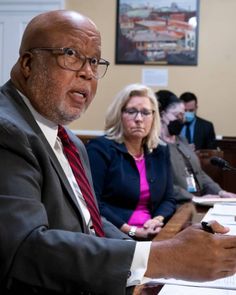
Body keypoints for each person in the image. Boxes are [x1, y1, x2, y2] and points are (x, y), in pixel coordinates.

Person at [0, 9, 236, 295]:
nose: (87, 71)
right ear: (28, 63)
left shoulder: (71, 142)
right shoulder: (7, 130)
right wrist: (163, 258)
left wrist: (155, 252)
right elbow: (23, 250)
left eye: (94, 61)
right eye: (71, 54)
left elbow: (91, 223)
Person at [86, 83, 176, 241]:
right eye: (132, 111)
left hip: (154, 232)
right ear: (119, 114)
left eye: (146, 112)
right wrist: (132, 231)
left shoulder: (161, 151)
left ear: (154, 117)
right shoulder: (99, 149)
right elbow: (94, 203)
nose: (139, 119)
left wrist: (156, 221)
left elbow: (169, 199)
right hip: (114, 236)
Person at [156, 90, 236, 204]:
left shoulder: (182, 140)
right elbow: (162, 184)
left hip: (199, 200)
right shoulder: (155, 145)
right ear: (162, 115)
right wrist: (193, 198)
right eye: (177, 115)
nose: (182, 119)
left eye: (182, 114)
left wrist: (220, 192)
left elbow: (199, 173)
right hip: (176, 205)